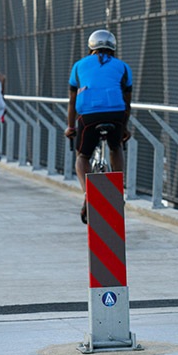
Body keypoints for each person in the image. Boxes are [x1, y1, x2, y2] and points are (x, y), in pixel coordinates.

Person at [66, 29, 133, 224]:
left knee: (82, 157)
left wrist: (70, 126)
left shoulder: (78, 66)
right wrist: (124, 128)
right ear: (113, 47)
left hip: (88, 115)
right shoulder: (123, 67)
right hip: (116, 114)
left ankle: (88, 193)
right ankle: (117, 187)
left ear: (91, 47)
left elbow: (72, 101)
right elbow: (127, 102)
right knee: (116, 146)